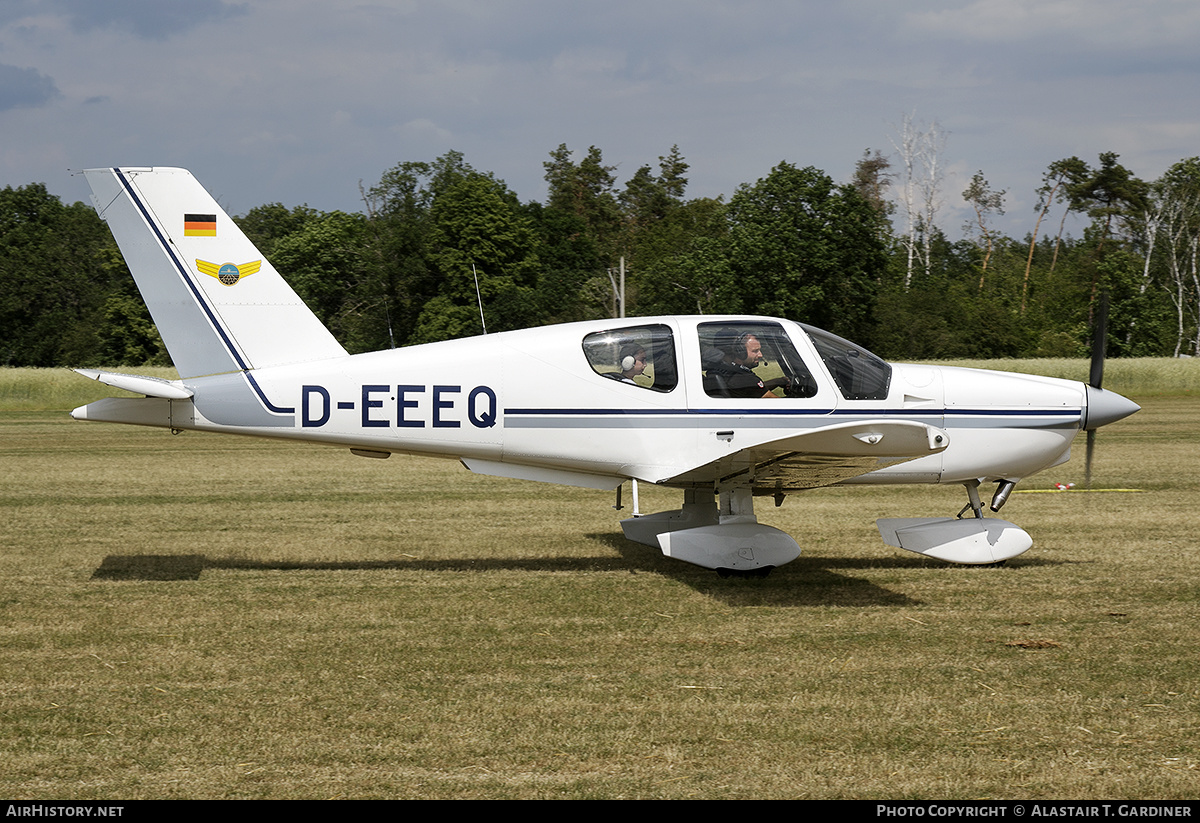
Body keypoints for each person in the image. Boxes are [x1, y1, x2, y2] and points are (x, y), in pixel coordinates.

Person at [703, 329, 789, 398]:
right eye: (755, 351)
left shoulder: (723, 370)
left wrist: (779, 381)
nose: (760, 355)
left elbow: (753, 388)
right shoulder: (741, 377)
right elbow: (780, 404)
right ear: (740, 351)